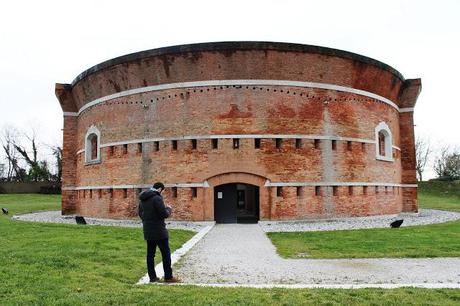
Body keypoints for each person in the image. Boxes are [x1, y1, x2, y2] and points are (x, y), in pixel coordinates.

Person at [138, 182, 180, 283]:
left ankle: (152, 278)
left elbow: (140, 214)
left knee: (150, 255)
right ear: (160, 189)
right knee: (166, 254)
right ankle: (168, 277)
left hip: (148, 230)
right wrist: (169, 209)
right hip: (159, 231)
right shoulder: (157, 198)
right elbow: (163, 214)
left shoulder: (143, 199)